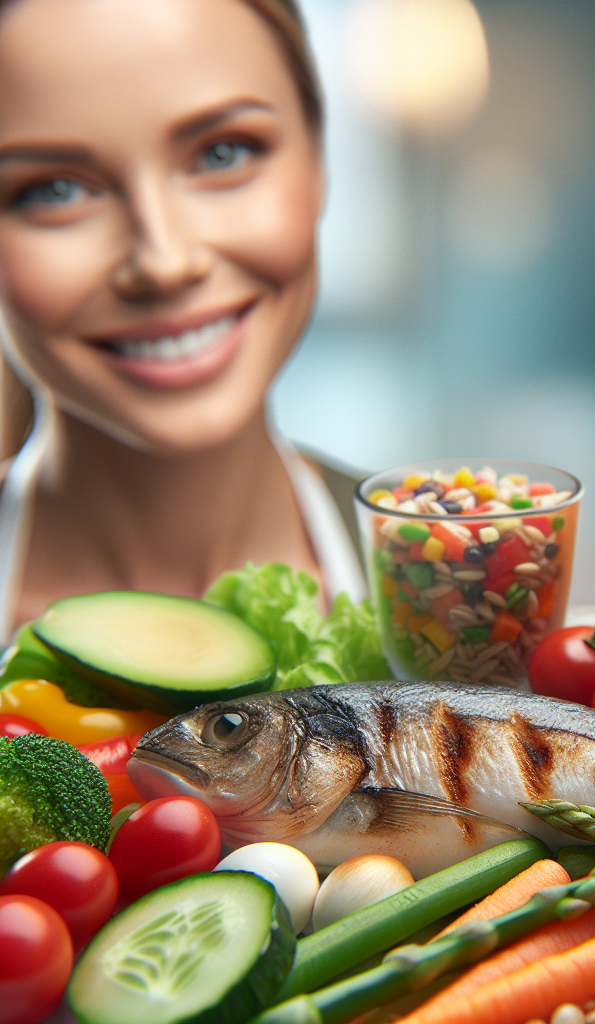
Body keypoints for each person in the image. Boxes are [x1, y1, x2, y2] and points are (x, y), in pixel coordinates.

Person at [0, 0, 366, 642]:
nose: (165, 262)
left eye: (224, 153)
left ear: (319, 160)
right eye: (54, 190)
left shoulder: (472, 592)